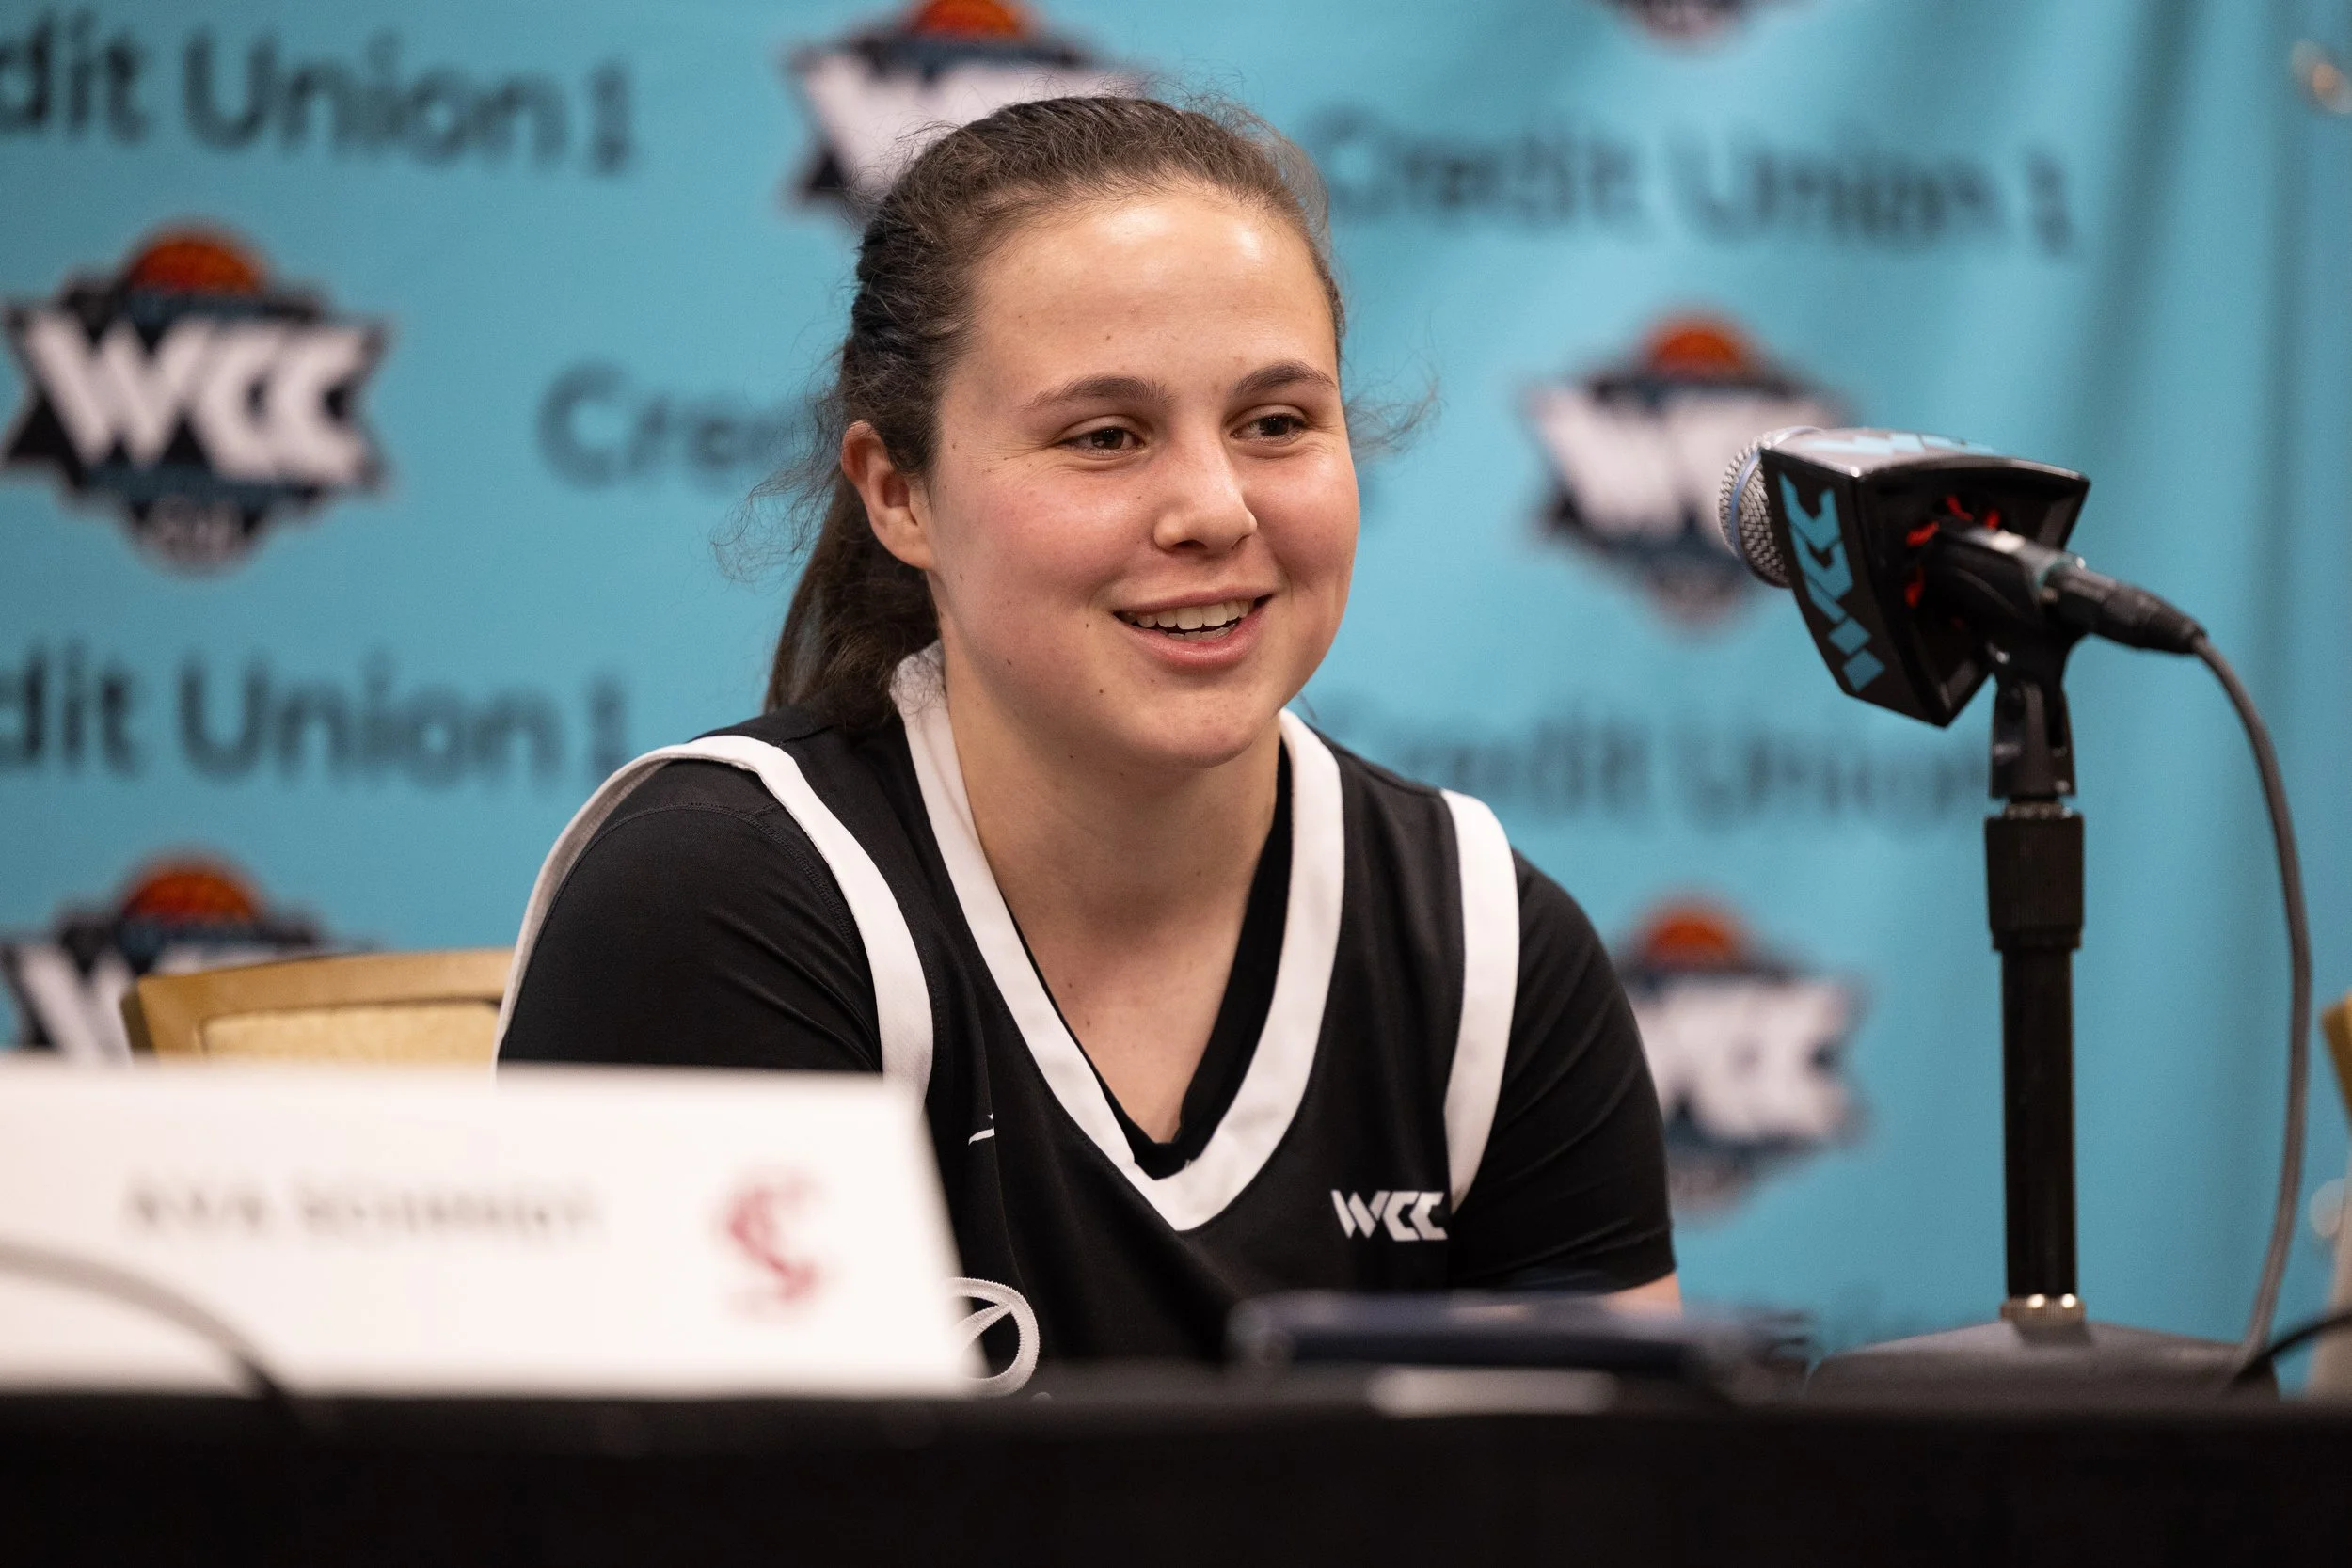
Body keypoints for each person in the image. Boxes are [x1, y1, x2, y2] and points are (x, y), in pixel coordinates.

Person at [499, 95, 1676, 1373]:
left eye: (1276, 424)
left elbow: (1612, 1475)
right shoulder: (723, 903)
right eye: (1104, 437)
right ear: (898, 492)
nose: (1215, 509)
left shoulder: (1487, 946)